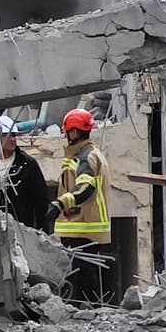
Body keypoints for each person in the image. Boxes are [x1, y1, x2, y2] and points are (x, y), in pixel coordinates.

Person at [51, 108, 113, 302]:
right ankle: (92, 311)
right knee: (86, 274)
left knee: (82, 275)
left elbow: (85, 188)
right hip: (84, 226)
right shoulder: (88, 154)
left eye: (67, 132)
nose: (66, 136)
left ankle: (92, 312)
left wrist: (59, 205)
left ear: (75, 132)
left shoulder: (86, 157)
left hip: (81, 227)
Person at [0, 113, 51, 232]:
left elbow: (40, 200)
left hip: (20, 230)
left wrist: (43, 230)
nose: (12, 139)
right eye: (7, 135)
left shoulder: (27, 165)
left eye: (14, 135)